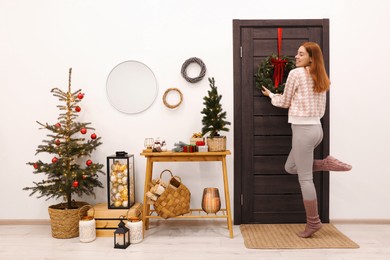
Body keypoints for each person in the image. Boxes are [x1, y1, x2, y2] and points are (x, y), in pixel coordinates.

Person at [261, 42, 352, 238]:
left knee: (305, 179)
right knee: (291, 167)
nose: (296, 56)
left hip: (303, 130)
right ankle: (325, 163)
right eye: (297, 53)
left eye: (300, 54)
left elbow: (285, 102)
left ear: (311, 57)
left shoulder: (296, 73)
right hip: (316, 130)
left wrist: (271, 95)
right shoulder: (321, 75)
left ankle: (314, 222)